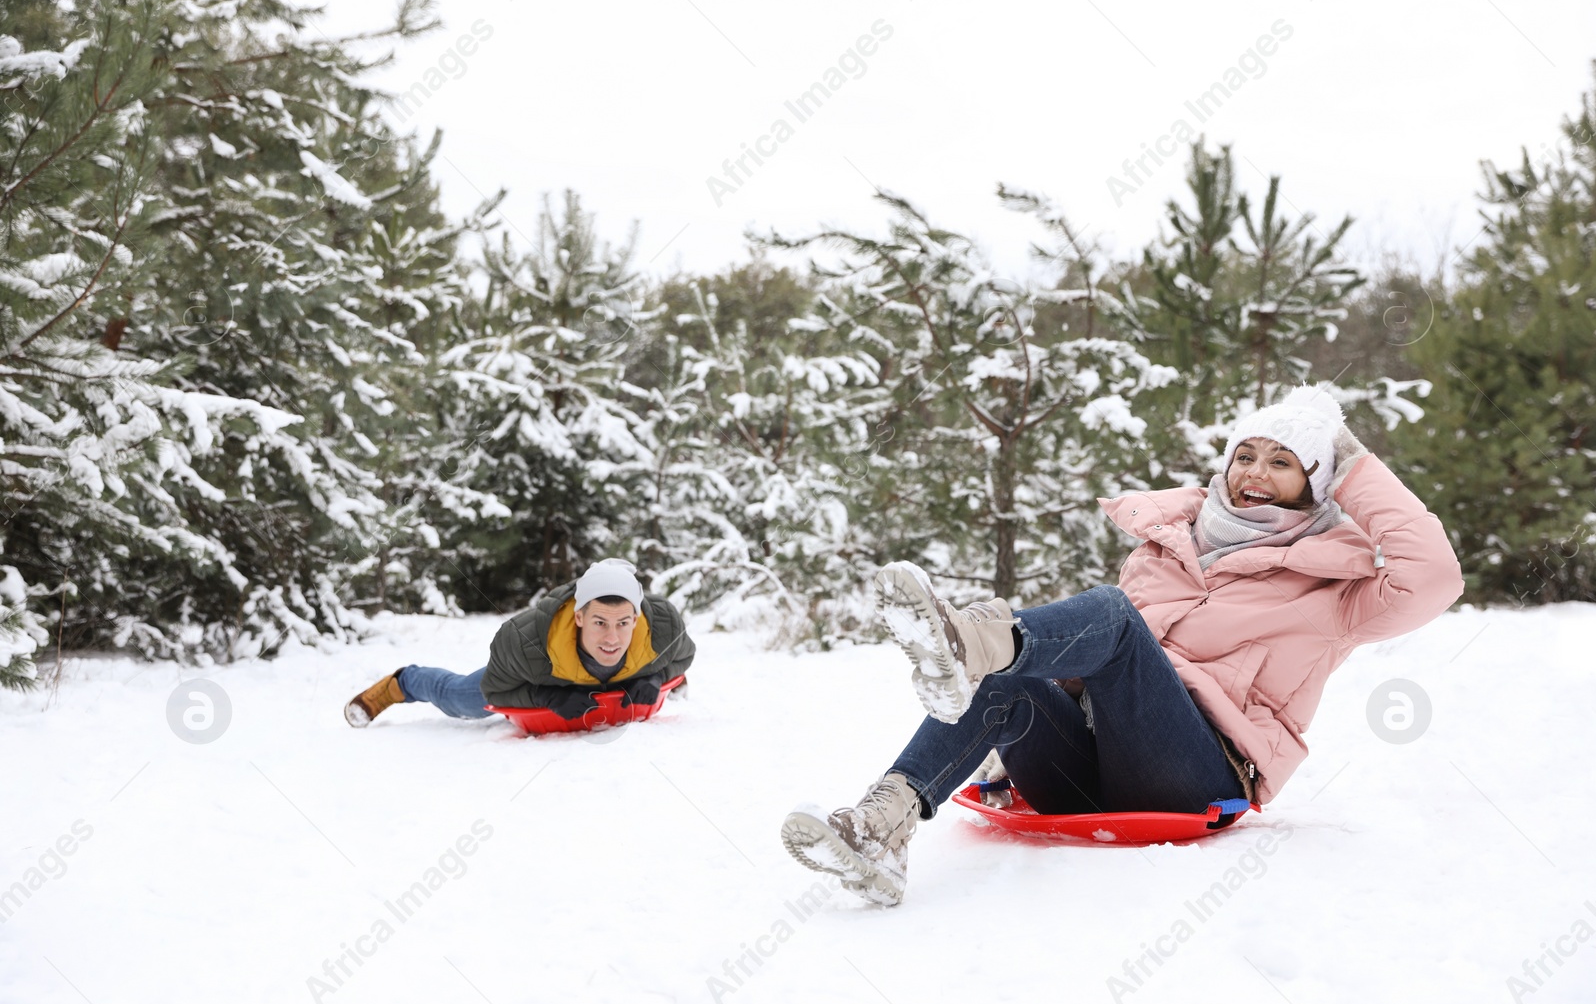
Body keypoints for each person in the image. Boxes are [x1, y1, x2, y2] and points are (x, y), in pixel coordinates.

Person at [781, 387, 1464, 906]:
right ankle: (880, 829)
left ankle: (974, 642)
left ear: (1317, 483)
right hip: (1093, 763)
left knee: (1106, 617)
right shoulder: (1165, 546)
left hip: (1200, 772)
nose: (1256, 469)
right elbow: (1099, 672)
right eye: (1246, 453)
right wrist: (1021, 719)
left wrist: (1353, 464)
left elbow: (1434, 577)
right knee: (1011, 680)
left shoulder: (1333, 588)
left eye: (1283, 460)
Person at [345, 558, 696, 727]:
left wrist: (655, 678)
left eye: (623, 624)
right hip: (537, 675)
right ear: (578, 618)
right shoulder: (525, 641)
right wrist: (546, 695)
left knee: (653, 667)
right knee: (459, 699)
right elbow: (498, 692)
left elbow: (685, 657)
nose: (612, 637)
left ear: (636, 620)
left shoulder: (661, 626)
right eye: (599, 622)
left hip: (627, 669)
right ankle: (401, 683)